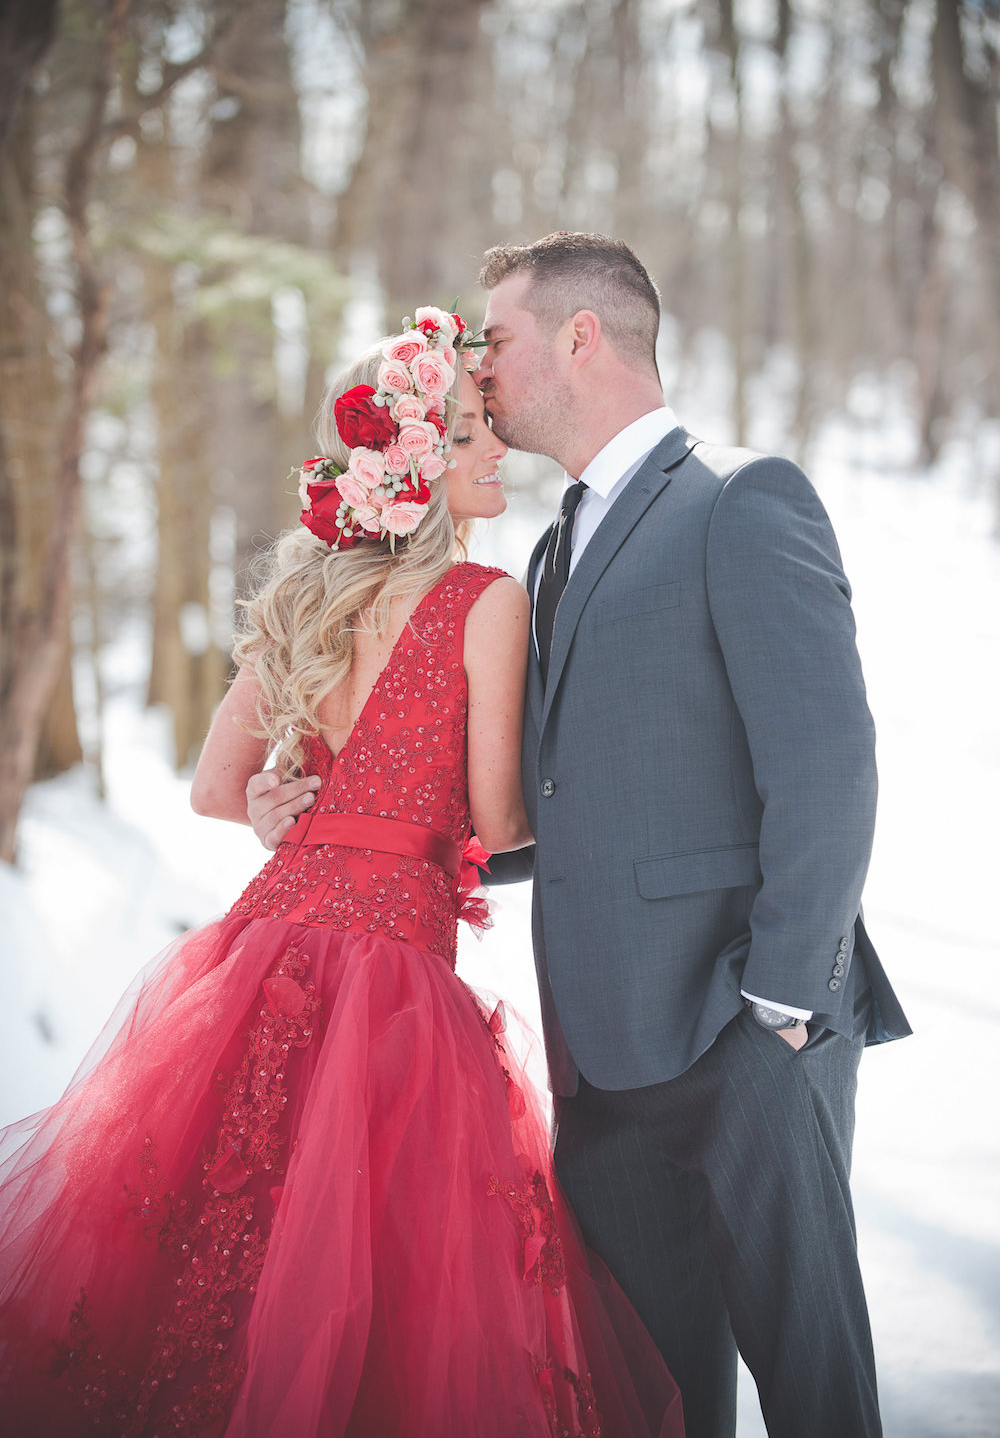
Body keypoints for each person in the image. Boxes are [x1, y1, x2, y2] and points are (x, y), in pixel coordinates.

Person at [248, 235, 912, 1438]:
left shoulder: (740, 497)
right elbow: (552, 799)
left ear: (578, 337)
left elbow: (828, 765)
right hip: (599, 1057)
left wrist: (776, 1000)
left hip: (745, 1032)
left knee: (815, 1388)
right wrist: (351, 831)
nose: (477, 370)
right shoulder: (554, 548)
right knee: (652, 1402)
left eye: (492, 340)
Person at [0, 307, 685, 1438]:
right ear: (418, 463)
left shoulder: (310, 593)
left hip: (265, 952)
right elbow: (499, 814)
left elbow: (216, 790)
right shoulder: (483, 599)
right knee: (374, 1273)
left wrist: (289, 810)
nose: (496, 446)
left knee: (222, 1251)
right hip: (394, 982)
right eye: (471, 431)